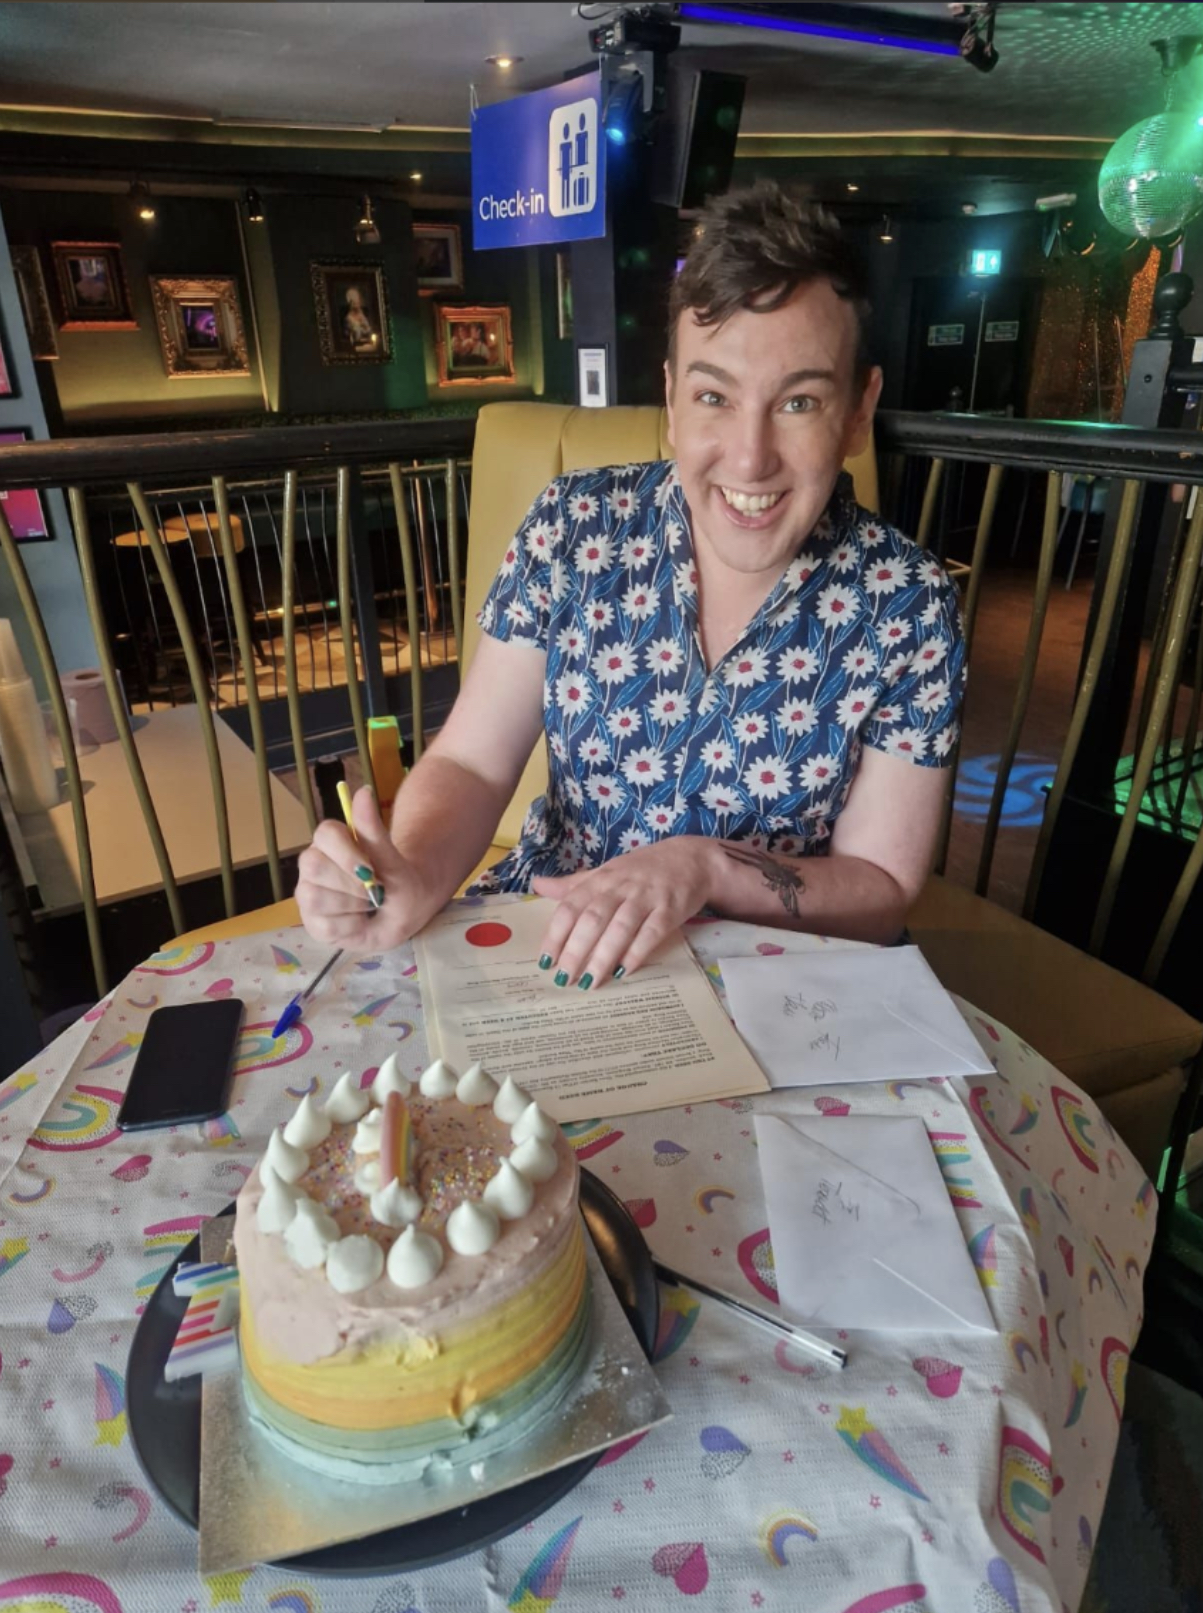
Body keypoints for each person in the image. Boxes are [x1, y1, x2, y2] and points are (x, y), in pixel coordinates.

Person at [297, 182, 966, 990]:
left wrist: (702, 868)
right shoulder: (572, 526)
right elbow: (472, 764)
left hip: (773, 985)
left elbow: (882, 889)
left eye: (797, 401)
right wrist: (410, 870)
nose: (749, 457)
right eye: (713, 396)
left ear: (858, 411)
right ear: (673, 402)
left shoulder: (910, 602)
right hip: (552, 947)